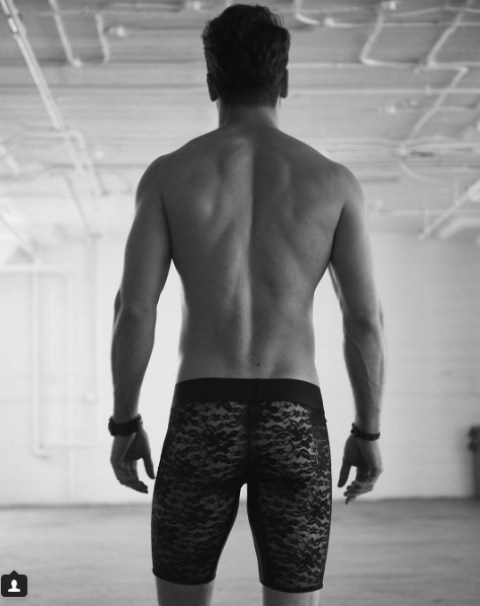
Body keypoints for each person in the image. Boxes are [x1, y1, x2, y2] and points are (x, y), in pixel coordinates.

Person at [109, 4, 385, 606]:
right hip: (294, 414)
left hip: (203, 410)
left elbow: (135, 309)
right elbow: (364, 320)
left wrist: (124, 423)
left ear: (212, 81)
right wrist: (368, 430)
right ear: (283, 81)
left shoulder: (169, 176)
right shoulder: (335, 182)